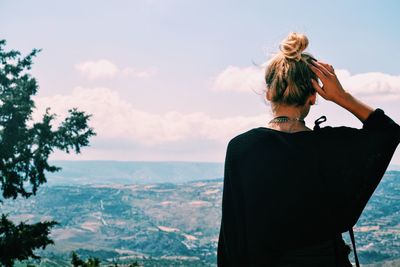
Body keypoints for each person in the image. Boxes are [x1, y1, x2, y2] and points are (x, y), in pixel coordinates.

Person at [217, 32, 400, 267]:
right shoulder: (333, 146)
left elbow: (233, 239)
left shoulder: (241, 149)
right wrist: (341, 96)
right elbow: (388, 132)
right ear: (313, 96)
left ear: (269, 93)